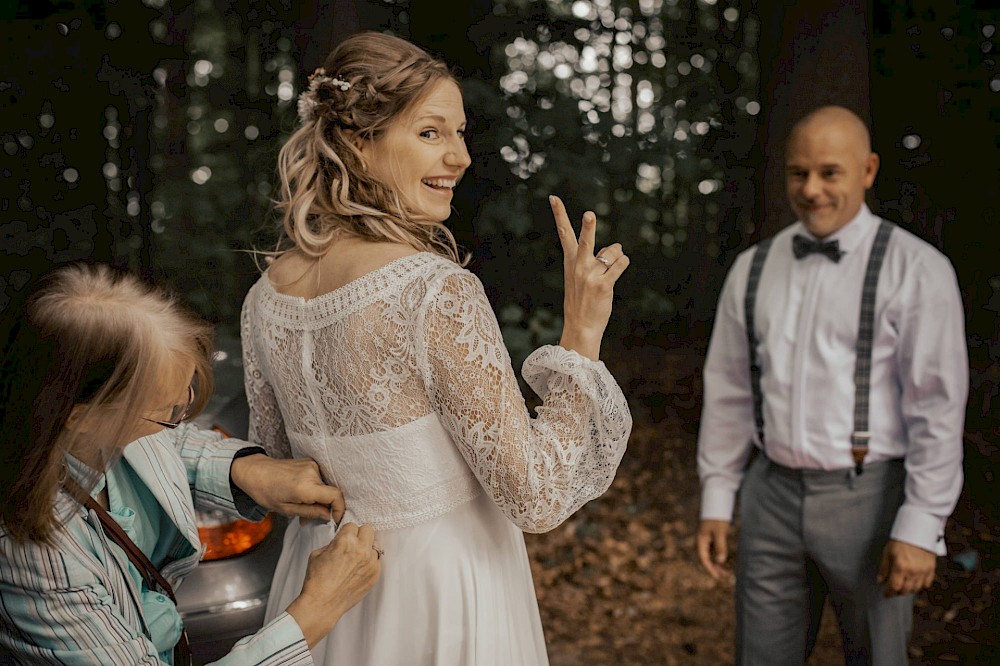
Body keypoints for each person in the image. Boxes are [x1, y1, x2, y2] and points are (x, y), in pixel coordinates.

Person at [241, 31, 633, 665]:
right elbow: (534, 495)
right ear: (356, 144)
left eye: (459, 132)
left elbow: (286, 470)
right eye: (430, 133)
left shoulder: (266, 296)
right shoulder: (433, 290)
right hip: (442, 596)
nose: (460, 157)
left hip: (320, 595)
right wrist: (581, 334)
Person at [0, 263, 382, 665]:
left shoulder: (82, 427)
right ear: (78, 415)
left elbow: (168, 442)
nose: (180, 409)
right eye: (167, 411)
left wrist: (244, 470)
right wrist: (317, 609)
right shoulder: (34, 559)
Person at [695, 105, 968, 664]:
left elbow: (937, 409)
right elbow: (728, 391)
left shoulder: (917, 269)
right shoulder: (752, 268)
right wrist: (718, 498)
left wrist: (922, 523)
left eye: (830, 172)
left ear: (868, 170)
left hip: (869, 498)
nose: (812, 190)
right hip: (769, 494)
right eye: (799, 174)